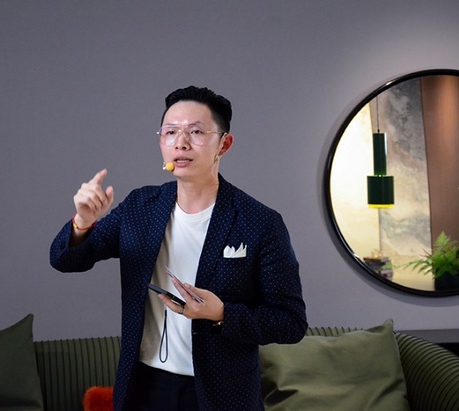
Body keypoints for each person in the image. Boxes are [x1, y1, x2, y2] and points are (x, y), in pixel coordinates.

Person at [50, 86, 307, 411]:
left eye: (196, 132)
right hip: (144, 387)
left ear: (224, 144)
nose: (180, 143)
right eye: (170, 132)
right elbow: (66, 259)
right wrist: (83, 222)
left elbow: (290, 322)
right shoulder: (141, 207)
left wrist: (222, 314)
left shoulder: (259, 222)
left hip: (222, 394)